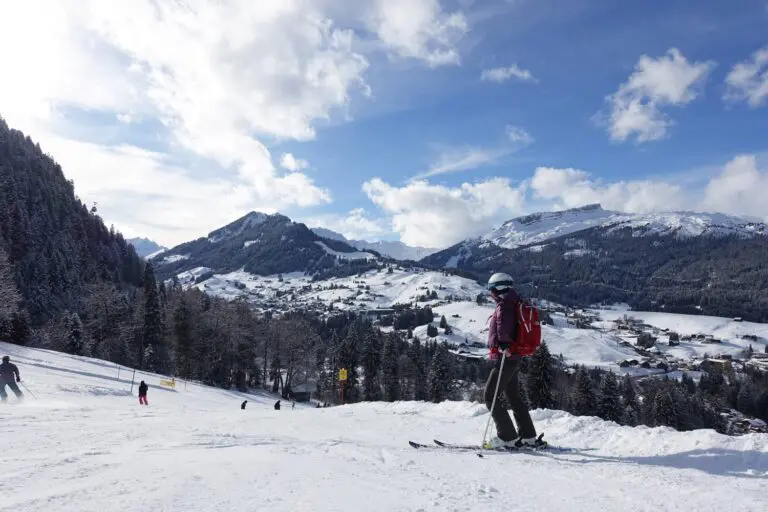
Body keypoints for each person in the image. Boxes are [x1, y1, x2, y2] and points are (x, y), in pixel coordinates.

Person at [484, 273, 543, 449]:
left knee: (490, 396)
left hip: (506, 357)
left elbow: (503, 328)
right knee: (513, 396)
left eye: (491, 289)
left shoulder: (504, 305)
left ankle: (507, 437)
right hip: (514, 357)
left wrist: (503, 344)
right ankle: (528, 436)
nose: (491, 293)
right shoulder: (515, 302)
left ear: (497, 288)